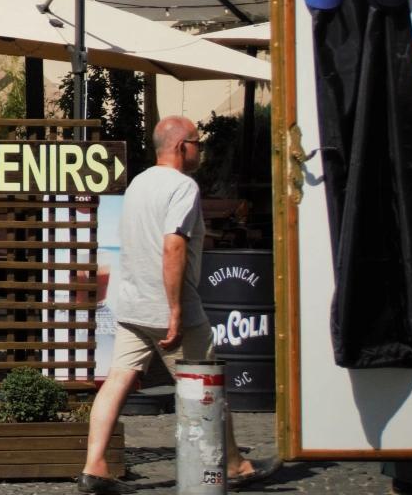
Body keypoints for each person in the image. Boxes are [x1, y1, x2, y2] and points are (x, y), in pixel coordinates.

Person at [78, 116, 278, 493]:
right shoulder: (183, 186)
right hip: (168, 302)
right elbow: (173, 245)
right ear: (181, 146)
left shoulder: (138, 183)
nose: (200, 149)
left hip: (133, 300)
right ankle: (236, 465)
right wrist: (175, 310)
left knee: (118, 380)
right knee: (208, 382)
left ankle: (95, 466)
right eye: (197, 143)